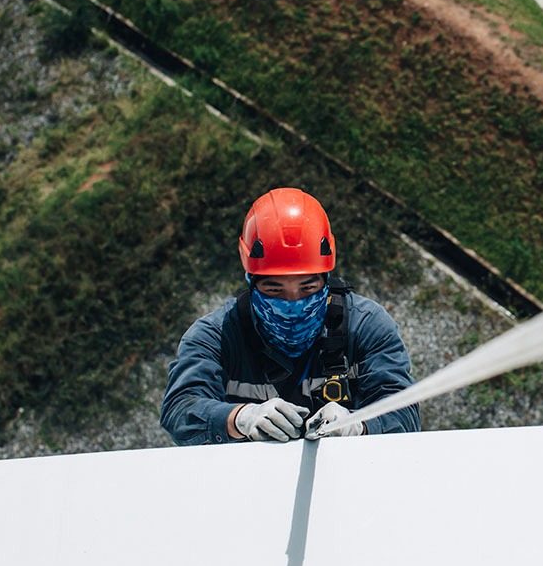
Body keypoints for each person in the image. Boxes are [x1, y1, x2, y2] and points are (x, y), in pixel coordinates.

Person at [161, 187, 420, 444]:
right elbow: (180, 409)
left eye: (308, 288)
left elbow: (404, 413)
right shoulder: (216, 336)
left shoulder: (365, 326)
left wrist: (357, 426)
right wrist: (241, 418)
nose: (293, 304)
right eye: (275, 290)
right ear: (251, 281)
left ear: (326, 278)